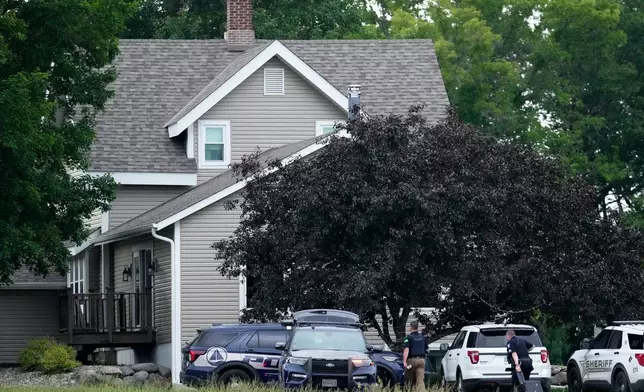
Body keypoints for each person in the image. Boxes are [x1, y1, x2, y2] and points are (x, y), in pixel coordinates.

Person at [403, 321, 428, 392]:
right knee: (420, 381)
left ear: (411, 327)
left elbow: (406, 349)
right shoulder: (423, 337)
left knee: (408, 380)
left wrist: (404, 362)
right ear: (418, 327)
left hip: (411, 362)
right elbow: (427, 349)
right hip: (421, 361)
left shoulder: (407, 338)